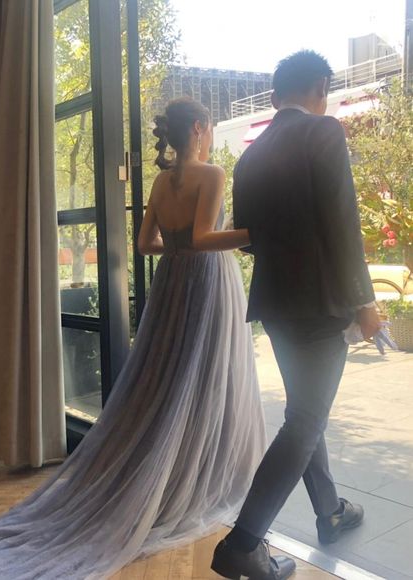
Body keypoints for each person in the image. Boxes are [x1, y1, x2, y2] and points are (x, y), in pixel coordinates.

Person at [0, 97, 266, 579]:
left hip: (172, 283)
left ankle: (164, 476)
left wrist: (178, 248)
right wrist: (253, 234)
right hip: (206, 283)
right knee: (204, 379)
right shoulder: (212, 175)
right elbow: (206, 238)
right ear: (201, 128)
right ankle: (191, 478)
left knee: (167, 382)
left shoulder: (161, 183)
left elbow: (146, 244)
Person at [211, 50, 381, 580]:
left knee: (305, 414)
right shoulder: (324, 131)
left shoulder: (250, 156)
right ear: (321, 89)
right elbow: (343, 222)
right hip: (321, 305)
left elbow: (250, 238)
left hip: (276, 305)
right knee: (306, 419)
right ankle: (243, 544)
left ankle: (330, 512)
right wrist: (366, 301)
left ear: (273, 95)